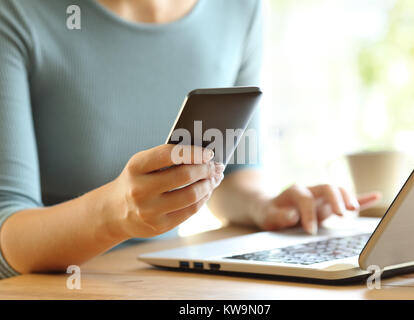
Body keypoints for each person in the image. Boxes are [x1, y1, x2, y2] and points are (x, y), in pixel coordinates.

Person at [0, 0, 379, 279]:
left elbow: (233, 175)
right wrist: (116, 214)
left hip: (158, 281)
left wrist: (267, 206)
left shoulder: (238, 11)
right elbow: (9, 232)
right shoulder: (18, 13)